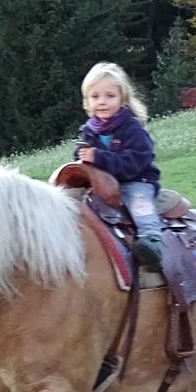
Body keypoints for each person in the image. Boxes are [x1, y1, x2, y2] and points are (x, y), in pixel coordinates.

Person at [75, 61, 165, 270]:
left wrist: (97, 157)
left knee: (140, 205)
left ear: (123, 99)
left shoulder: (132, 129)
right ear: (87, 102)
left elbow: (135, 162)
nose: (102, 102)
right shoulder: (88, 131)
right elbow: (84, 158)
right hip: (103, 184)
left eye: (110, 96)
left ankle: (151, 242)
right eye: (95, 97)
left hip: (135, 180)